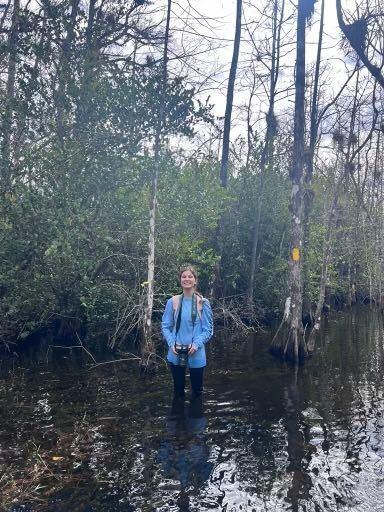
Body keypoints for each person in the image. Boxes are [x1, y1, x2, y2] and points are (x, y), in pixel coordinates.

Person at [161, 265, 213, 398]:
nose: (187, 279)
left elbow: (208, 330)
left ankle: (196, 417)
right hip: (176, 351)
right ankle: (178, 418)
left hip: (196, 352)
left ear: (195, 280)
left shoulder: (203, 303)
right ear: (180, 280)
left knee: (197, 391)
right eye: (184, 276)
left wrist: (196, 344)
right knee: (178, 390)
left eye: (190, 276)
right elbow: (165, 326)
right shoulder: (172, 302)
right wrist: (171, 343)